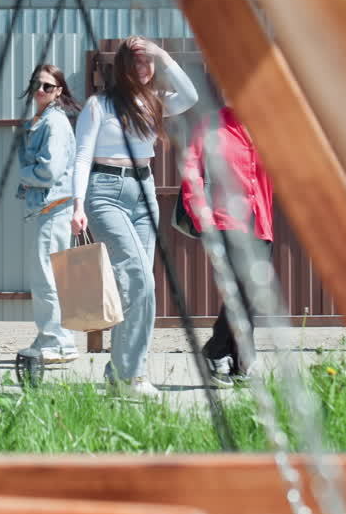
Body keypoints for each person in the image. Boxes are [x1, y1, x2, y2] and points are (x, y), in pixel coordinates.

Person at [71, 36, 198, 398]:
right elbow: (81, 157)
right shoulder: (100, 105)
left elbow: (190, 95)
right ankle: (132, 378)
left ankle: (121, 374)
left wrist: (161, 53)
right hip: (105, 192)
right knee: (139, 281)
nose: (144, 70)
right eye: (137, 63)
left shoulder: (154, 103)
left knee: (139, 288)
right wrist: (76, 205)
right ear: (122, 68)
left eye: (149, 63)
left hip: (144, 191)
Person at [180, 105, 276, 387]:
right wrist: (200, 212)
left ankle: (229, 356)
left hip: (260, 220)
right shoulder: (211, 124)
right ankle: (226, 353)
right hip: (225, 220)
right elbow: (191, 168)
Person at [15, 64, 81, 364]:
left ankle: (55, 342)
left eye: (48, 86)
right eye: (37, 85)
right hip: (49, 207)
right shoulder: (43, 120)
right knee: (50, 276)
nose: (40, 91)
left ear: (59, 91)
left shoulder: (53, 123)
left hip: (51, 207)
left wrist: (24, 174)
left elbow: (49, 171)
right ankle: (54, 339)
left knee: (45, 278)